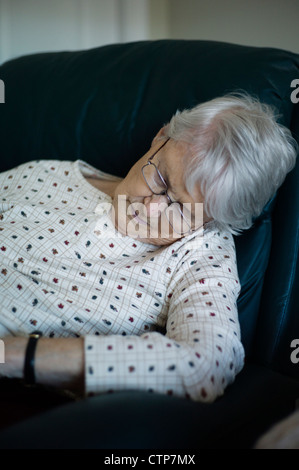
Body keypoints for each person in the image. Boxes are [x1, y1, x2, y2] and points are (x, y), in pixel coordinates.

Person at [0, 93, 297, 403]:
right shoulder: (48, 174)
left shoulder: (200, 255)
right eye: (161, 177)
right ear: (161, 136)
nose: (152, 208)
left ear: (212, 220)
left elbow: (207, 365)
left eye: (183, 210)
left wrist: (17, 355)